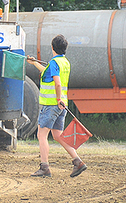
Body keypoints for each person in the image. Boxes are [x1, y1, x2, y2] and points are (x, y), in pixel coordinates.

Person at [27, 34, 87, 178]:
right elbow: (47, 73)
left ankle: (45, 167)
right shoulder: (64, 62)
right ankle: (78, 162)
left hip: (52, 104)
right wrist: (34, 63)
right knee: (58, 135)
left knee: (41, 135)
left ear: (52, 48)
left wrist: (58, 98)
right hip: (61, 105)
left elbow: (57, 82)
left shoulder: (54, 63)